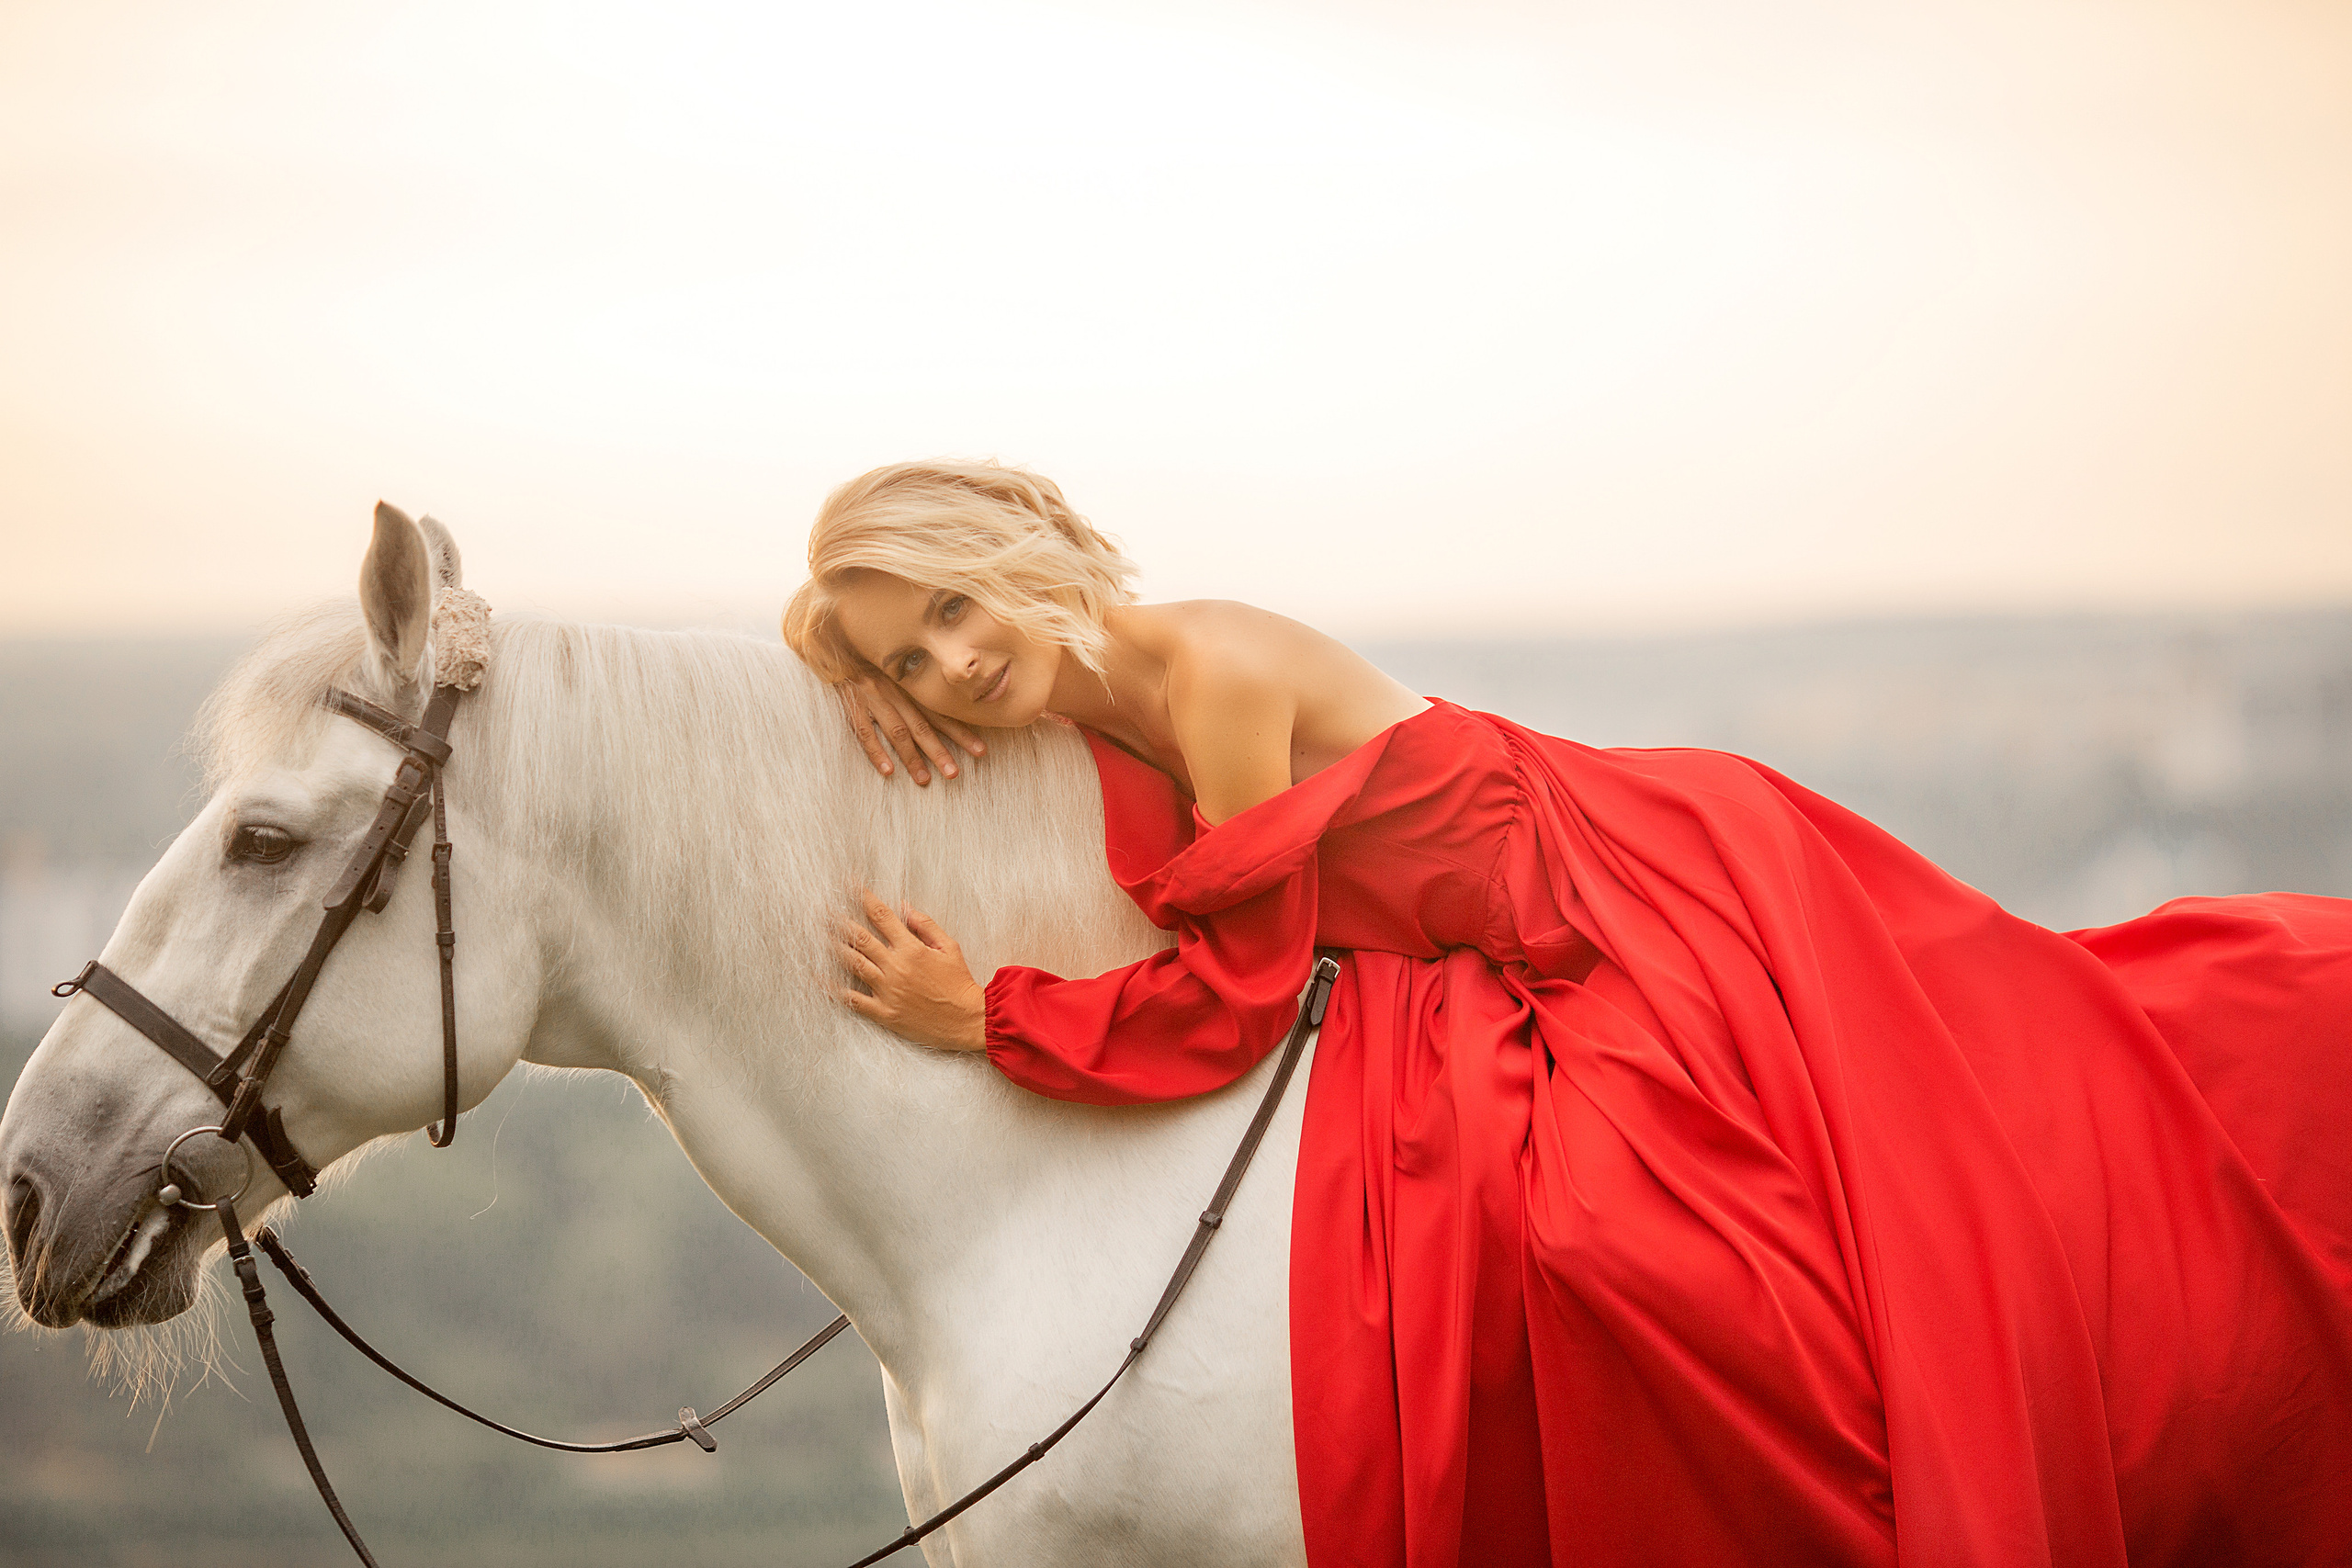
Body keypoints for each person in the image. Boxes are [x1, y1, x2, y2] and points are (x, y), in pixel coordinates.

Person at [783, 459, 2352, 1568]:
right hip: (1498, 936)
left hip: (1609, 903)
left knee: (1655, 1241)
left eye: (955, 606)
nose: (953, 660)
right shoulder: (1078, 705)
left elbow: (1247, 992)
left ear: (1021, 542)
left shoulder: (1214, 672)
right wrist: (838, 670)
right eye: (912, 657)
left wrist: (987, 1017)